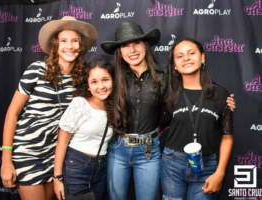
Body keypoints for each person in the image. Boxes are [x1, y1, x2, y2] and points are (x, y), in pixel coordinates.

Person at [101, 20, 236, 200]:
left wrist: (224, 103)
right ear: (119, 51)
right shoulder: (112, 77)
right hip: (118, 146)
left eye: (136, 43)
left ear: (146, 45)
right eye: (125, 45)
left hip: (149, 147)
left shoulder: (165, 75)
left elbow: (194, 87)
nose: (131, 50)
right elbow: (94, 96)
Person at [0, 16, 97, 200]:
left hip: (56, 158)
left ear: (81, 46)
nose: (70, 46)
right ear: (55, 46)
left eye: (75, 41)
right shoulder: (37, 70)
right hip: (28, 153)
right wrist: (6, 160)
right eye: (63, 41)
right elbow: (12, 113)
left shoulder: (81, 80)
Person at [160, 37, 234, 200]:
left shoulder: (221, 94)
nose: (186, 58)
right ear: (175, 65)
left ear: (202, 57)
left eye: (191, 53)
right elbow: (155, 124)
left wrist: (220, 173)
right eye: (179, 56)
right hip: (172, 163)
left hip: (207, 165)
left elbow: (227, 137)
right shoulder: (169, 94)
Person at [53, 59, 114, 200]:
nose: (101, 86)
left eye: (105, 80)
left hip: (101, 168)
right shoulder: (80, 103)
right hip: (77, 166)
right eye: (94, 82)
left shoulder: (114, 106)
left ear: (113, 81)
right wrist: (57, 178)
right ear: (87, 85)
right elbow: (62, 142)